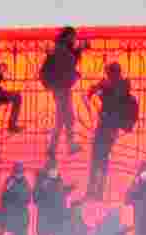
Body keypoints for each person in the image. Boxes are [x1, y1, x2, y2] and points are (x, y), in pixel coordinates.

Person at [86, 62, 136, 200]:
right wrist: (98, 88)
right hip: (106, 126)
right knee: (98, 159)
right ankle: (94, 191)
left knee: (99, 159)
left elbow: (113, 100)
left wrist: (102, 88)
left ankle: (96, 192)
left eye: (108, 73)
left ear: (113, 73)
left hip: (108, 127)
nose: (107, 76)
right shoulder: (115, 86)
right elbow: (91, 93)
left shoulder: (119, 86)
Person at [41, 27, 89, 158]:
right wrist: (74, 72)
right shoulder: (61, 49)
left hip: (61, 88)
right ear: (68, 36)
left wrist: (79, 50)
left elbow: (68, 62)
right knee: (65, 118)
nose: (75, 39)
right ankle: (63, 147)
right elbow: (68, 63)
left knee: (64, 118)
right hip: (61, 88)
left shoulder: (61, 47)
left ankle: (59, 147)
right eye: (73, 37)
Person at [34, 161, 74, 235]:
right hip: (45, 221)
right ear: (47, 170)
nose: (54, 171)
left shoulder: (58, 181)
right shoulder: (41, 181)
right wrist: (44, 189)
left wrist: (67, 190)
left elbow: (59, 195)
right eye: (52, 169)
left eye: (56, 169)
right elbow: (36, 199)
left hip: (57, 220)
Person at [0, 163, 33, 235]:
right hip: (15, 221)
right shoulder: (13, 182)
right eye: (18, 172)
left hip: (18, 221)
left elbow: (27, 199)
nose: (19, 174)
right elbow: (4, 199)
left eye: (20, 172)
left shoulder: (22, 183)